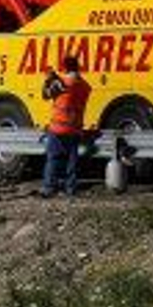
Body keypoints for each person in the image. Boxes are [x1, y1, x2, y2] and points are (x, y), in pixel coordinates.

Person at [40, 54, 92, 199]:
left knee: (53, 158)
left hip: (58, 127)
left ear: (65, 67)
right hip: (75, 127)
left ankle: (49, 188)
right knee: (72, 160)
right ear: (78, 66)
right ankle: (71, 188)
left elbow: (45, 95)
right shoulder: (85, 85)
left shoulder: (61, 83)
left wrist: (49, 79)